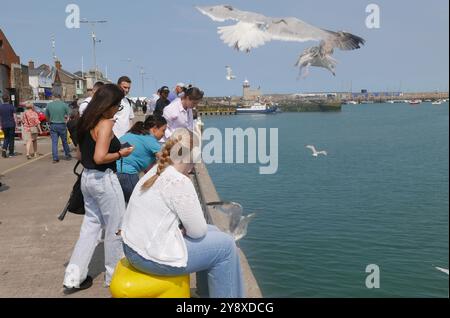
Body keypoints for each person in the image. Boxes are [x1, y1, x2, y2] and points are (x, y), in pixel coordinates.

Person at [121, 128, 245, 298]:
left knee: (214, 232)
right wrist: (189, 230)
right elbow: (198, 231)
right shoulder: (178, 181)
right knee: (226, 247)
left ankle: (205, 294)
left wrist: (186, 230)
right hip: (148, 257)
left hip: (132, 247)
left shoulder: (156, 170)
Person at [63, 84, 134, 294]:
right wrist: (122, 153)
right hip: (105, 179)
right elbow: (100, 157)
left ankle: (73, 277)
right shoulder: (105, 123)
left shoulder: (84, 121)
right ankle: (115, 277)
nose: (117, 109)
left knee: (90, 228)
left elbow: (79, 155)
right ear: (107, 105)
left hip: (87, 178)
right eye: (117, 105)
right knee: (116, 228)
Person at [116, 115, 167, 203]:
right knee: (135, 205)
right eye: (163, 130)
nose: (164, 134)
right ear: (154, 128)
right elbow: (166, 161)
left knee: (121, 206)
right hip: (127, 175)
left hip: (113, 173)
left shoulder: (132, 134)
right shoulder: (150, 140)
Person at [45, 93, 72, 163]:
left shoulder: (49, 105)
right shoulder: (64, 105)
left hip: (53, 124)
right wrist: (66, 121)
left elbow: (46, 116)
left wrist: (49, 122)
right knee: (64, 141)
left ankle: (55, 157)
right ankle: (67, 155)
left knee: (54, 142)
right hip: (62, 124)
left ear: (54, 97)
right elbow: (69, 114)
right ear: (60, 97)